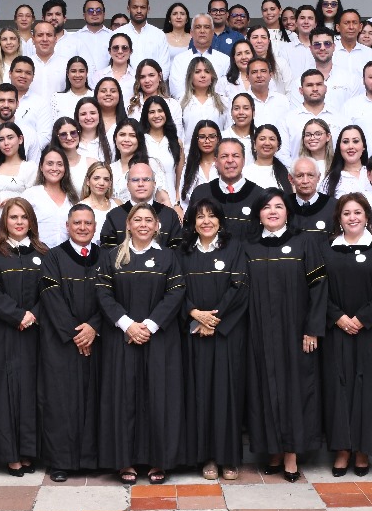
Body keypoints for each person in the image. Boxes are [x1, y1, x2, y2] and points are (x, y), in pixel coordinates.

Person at [97, 204, 187, 484]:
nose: (143, 224)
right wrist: (127, 324)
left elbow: (176, 292)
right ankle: (125, 461)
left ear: (157, 225)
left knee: (158, 398)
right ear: (128, 224)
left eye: (149, 220)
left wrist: (149, 325)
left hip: (159, 339)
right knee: (124, 398)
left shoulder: (168, 257)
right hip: (122, 338)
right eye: (138, 220)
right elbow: (103, 292)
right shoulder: (113, 256)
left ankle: (159, 460)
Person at [245, 190, 328, 482]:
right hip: (259, 332)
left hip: (295, 332)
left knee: (294, 390)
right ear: (258, 214)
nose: (272, 211)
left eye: (278, 206)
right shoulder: (249, 247)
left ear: (287, 212)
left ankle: (291, 454)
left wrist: (312, 328)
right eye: (266, 207)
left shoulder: (304, 242)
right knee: (264, 389)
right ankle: (273, 450)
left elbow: (319, 287)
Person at [321, 193, 372, 477]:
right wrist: (338, 317)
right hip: (337, 331)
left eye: (357, 212)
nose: (352, 218)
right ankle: (342, 450)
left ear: (367, 216)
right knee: (339, 389)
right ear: (338, 219)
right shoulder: (327, 249)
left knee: (369, 390)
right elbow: (317, 289)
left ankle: (363, 450)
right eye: (346, 213)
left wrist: (362, 319)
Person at [178, 197, 251, 481]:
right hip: (194, 333)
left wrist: (214, 322)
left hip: (226, 334)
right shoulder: (183, 251)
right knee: (200, 394)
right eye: (200, 216)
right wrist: (195, 314)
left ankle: (229, 457)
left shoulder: (234, 248)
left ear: (220, 220)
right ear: (193, 223)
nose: (206, 221)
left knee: (227, 394)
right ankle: (207, 456)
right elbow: (175, 288)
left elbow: (239, 286)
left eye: (211, 215)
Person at [0, 199, 46, 476]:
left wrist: (34, 314)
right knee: (4, 393)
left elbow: (51, 291)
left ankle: (28, 451)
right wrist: (17, 315)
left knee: (30, 392)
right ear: (4, 221)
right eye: (13, 217)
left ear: (31, 221)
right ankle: (10, 455)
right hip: (3, 333)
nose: (19, 222)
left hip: (34, 334)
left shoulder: (42, 252)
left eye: (24, 217)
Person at [38, 205, 103, 482]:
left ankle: (91, 459)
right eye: (77, 222)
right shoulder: (53, 257)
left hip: (97, 340)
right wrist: (76, 333)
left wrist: (94, 327)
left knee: (94, 399)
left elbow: (112, 297)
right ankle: (60, 462)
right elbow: (51, 298)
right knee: (61, 401)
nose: (82, 227)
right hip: (61, 343)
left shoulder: (106, 257)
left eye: (88, 223)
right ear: (67, 226)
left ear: (95, 226)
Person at [196, 137, 267, 242]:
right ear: (216, 161)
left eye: (235, 156)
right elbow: (189, 232)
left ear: (243, 161)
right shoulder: (201, 192)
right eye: (224, 156)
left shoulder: (259, 195)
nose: (230, 160)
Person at [99, 161, 184, 249]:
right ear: (128, 185)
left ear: (154, 184)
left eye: (146, 179)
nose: (140, 184)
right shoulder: (114, 216)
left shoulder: (169, 215)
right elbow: (107, 252)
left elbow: (177, 252)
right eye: (135, 180)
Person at [23, 146, 78, 247]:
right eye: (50, 163)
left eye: (59, 164)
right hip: (38, 253)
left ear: (65, 168)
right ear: (41, 167)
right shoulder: (30, 195)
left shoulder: (73, 198)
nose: (54, 168)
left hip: (67, 254)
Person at [169, 15, 231, 98]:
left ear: (212, 32)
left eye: (207, 27)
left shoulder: (224, 59)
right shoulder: (179, 59)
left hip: (218, 104)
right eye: (198, 27)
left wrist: (210, 102)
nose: (202, 31)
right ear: (191, 33)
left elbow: (227, 89)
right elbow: (176, 89)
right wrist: (195, 102)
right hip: (186, 104)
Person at [140, 96, 185, 199]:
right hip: (146, 201)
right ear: (146, 115)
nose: (157, 115)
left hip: (171, 200)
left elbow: (180, 180)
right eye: (152, 112)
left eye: (160, 111)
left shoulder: (176, 142)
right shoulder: (140, 141)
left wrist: (177, 202)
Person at [0, 123, 37, 205]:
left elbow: (35, 199)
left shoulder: (29, 168)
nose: (6, 143)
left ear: (20, 139)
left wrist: (15, 202)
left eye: (10, 138)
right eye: (1, 139)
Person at [178, 56, 228, 144]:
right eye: (197, 72)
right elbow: (179, 134)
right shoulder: (181, 102)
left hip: (218, 151)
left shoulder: (223, 101)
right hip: (189, 151)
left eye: (207, 71)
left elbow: (227, 131)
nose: (203, 75)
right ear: (190, 76)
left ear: (212, 76)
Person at [119, 0, 169, 69]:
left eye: (143, 7)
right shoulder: (118, 33)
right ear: (128, 9)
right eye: (135, 7)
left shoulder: (159, 35)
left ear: (148, 9)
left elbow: (164, 66)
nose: (139, 11)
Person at [288, 157, 336, 237]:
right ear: (291, 179)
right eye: (300, 176)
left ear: (318, 177)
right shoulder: (284, 205)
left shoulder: (334, 206)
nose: (305, 181)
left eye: (310, 175)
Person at [179, 120, 221, 207]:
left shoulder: (224, 165)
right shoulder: (188, 167)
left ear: (218, 138)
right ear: (196, 139)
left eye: (212, 136)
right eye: (202, 137)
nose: (207, 141)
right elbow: (183, 199)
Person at [51, 116, 97, 189]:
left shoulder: (91, 163)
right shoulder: (52, 166)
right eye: (63, 134)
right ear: (57, 137)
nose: (69, 138)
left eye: (73, 133)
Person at [324, 125, 369, 197]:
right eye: (345, 142)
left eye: (355, 141)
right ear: (339, 147)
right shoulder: (330, 180)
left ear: (363, 146)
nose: (351, 146)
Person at [246, 124, 293, 194]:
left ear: (278, 145)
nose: (267, 143)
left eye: (272, 139)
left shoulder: (287, 173)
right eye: (262, 139)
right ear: (254, 144)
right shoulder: (245, 173)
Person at [71, 0, 112, 70]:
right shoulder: (74, 38)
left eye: (98, 11)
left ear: (104, 15)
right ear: (84, 16)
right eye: (90, 11)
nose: (94, 14)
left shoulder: (113, 36)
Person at [93, 32, 135, 101]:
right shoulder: (98, 76)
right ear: (109, 51)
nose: (120, 51)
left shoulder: (137, 77)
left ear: (131, 51)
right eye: (116, 48)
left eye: (124, 48)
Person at [77, 161, 115, 235]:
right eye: (96, 178)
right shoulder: (80, 208)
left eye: (106, 179)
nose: (101, 183)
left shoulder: (117, 204)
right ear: (88, 181)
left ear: (110, 183)